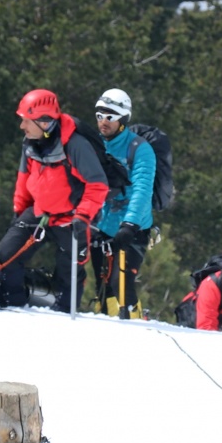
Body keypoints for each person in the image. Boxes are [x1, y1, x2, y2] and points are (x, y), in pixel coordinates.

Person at [0, 89, 109, 312]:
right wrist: (19, 209)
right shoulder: (29, 142)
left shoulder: (75, 145)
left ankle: (63, 316)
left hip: (72, 219)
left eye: (27, 121)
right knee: (6, 255)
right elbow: (24, 178)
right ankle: (13, 305)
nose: (22, 126)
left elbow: (98, 184)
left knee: (69, 271)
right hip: (39, 213)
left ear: (45, 122)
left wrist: (83, 216)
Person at [90, 88, 154, 318]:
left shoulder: (140, 149)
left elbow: (142, 191)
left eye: (110, 117)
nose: (103, 122)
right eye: (99, 116)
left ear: (123, 118)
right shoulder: (94, 144)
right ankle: (105, 322)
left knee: (120, 282)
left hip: (132, 229)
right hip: (101, 225)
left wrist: (129, 224)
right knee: (102, 285)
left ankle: (135, 321)